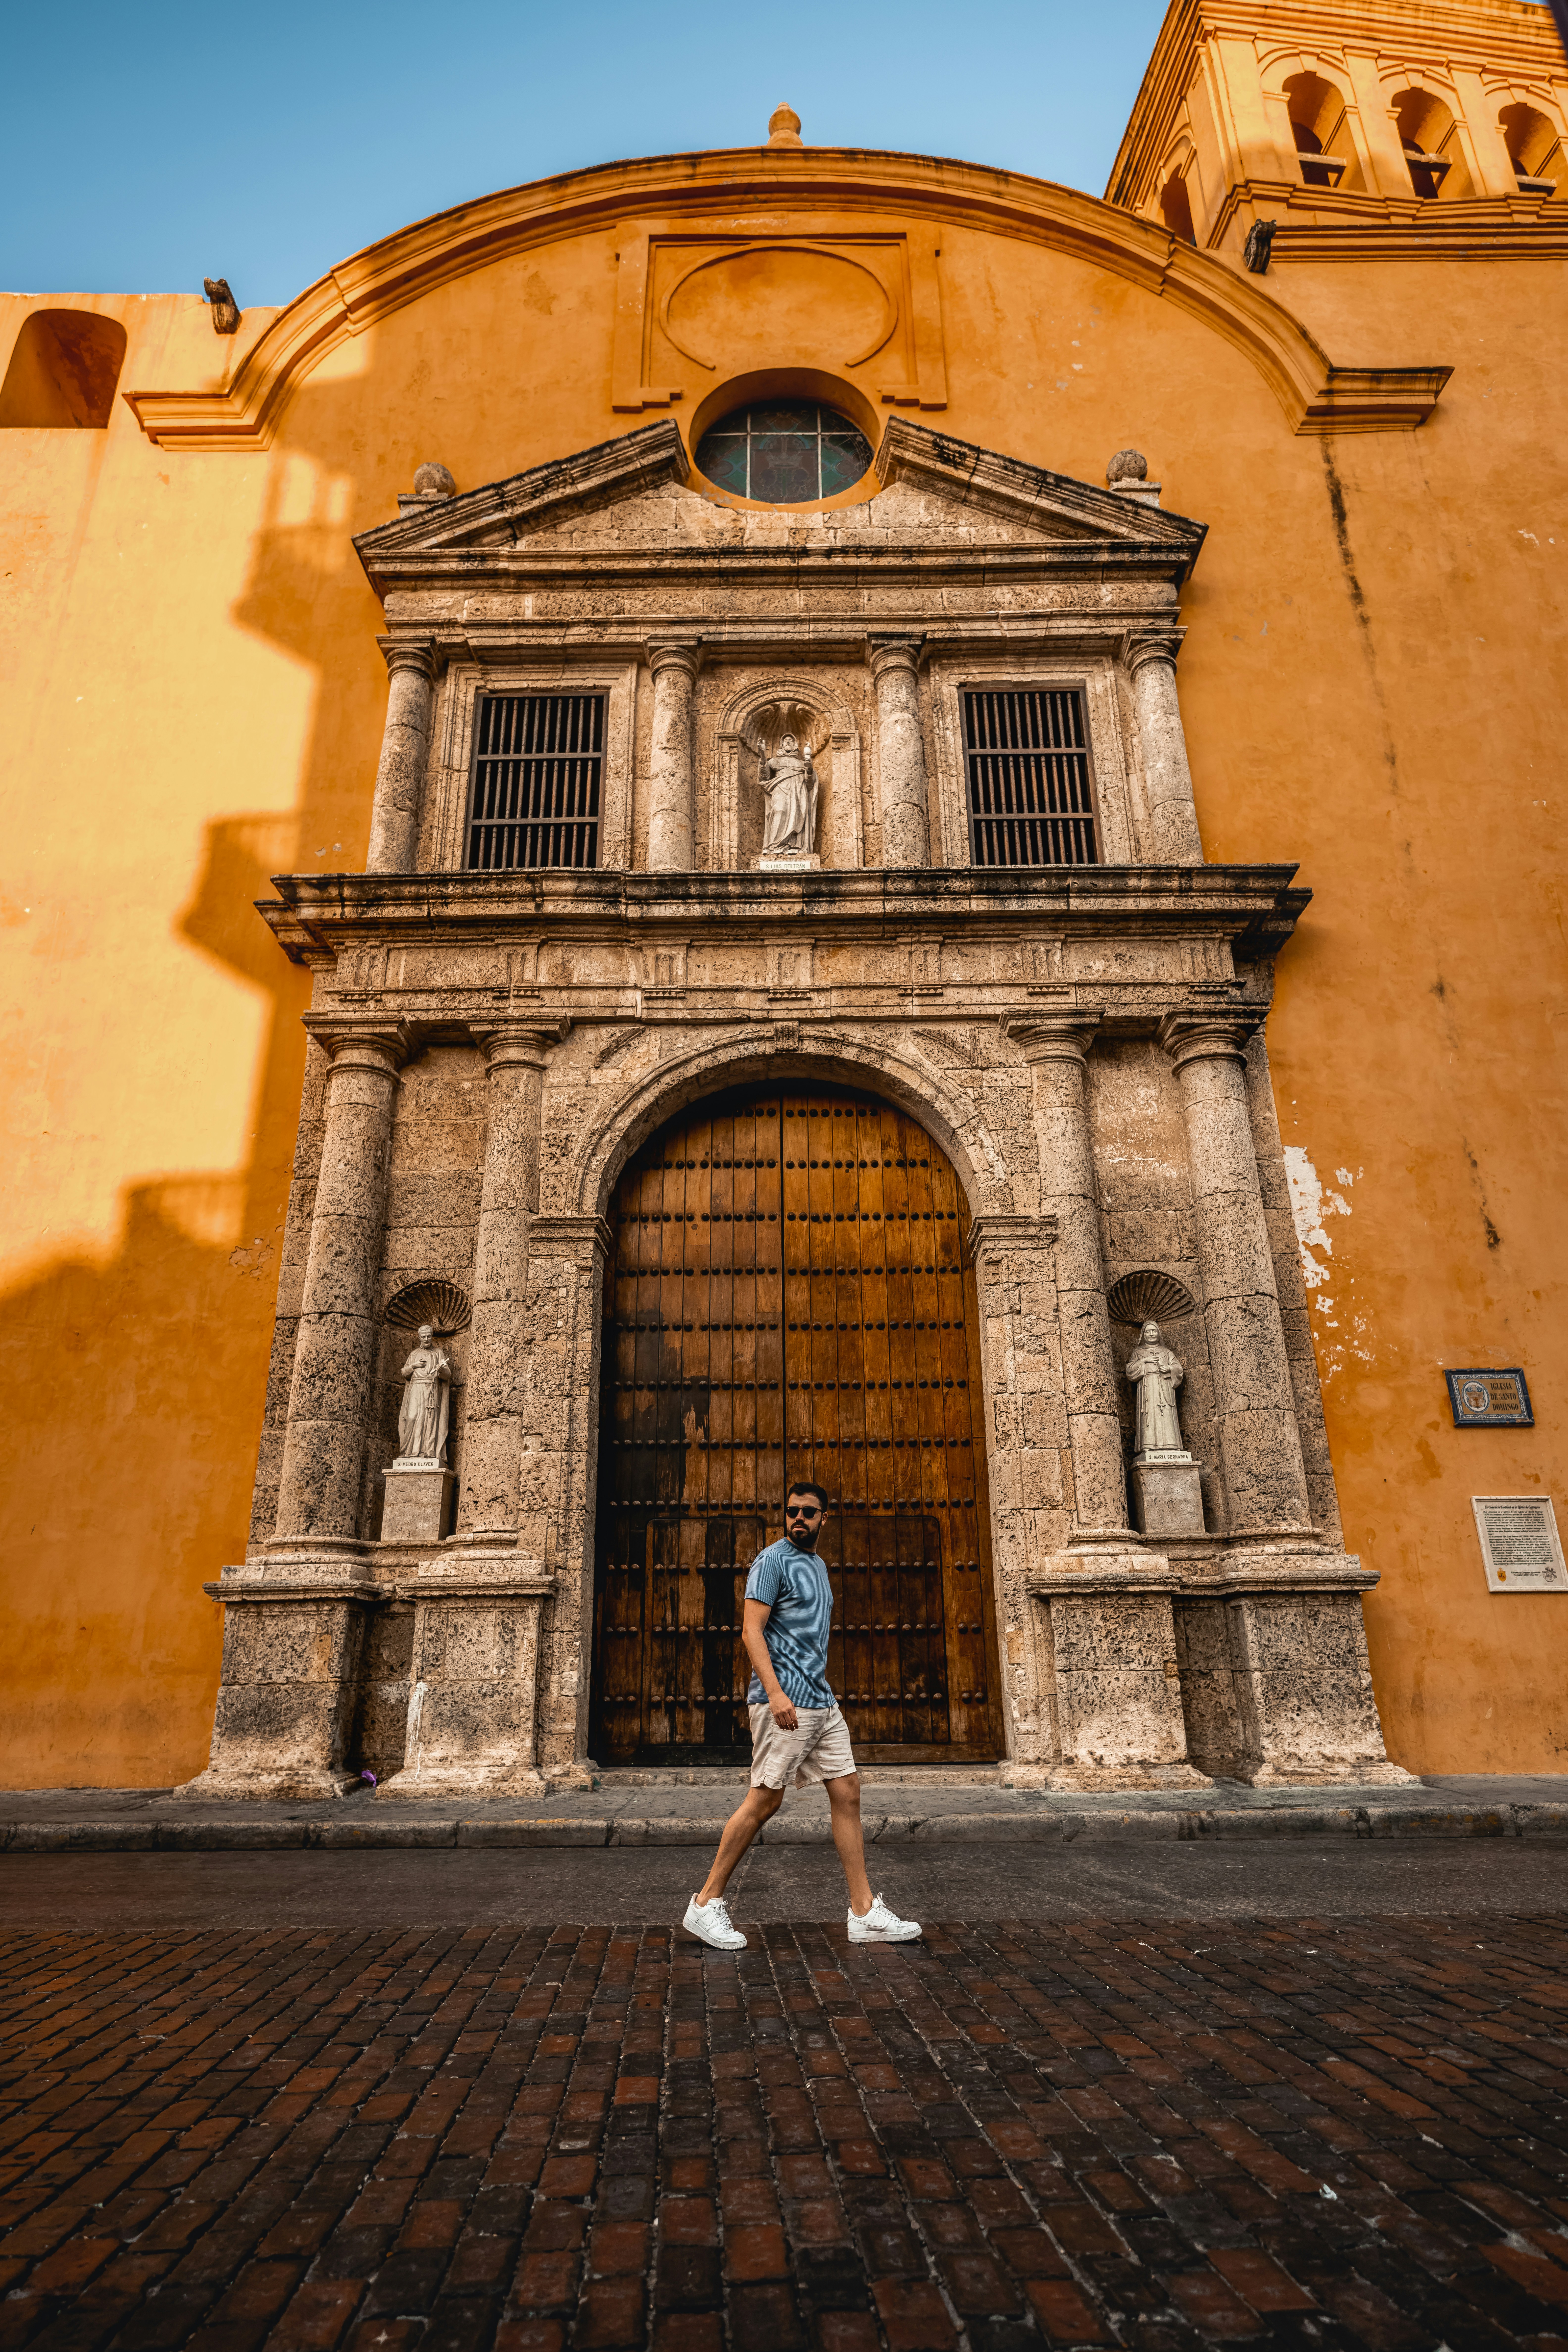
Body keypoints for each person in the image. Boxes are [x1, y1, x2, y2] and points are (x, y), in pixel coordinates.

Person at [682, 1480, 922, 1952]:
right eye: (792, 1511)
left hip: (820, 1702)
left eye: (808, 1513)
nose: (798, 1519)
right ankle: (705, 1905)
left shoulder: (816, 1565)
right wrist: (775, 1694)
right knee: (764, 1802)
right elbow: (752, 1632)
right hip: (786, 1704)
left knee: (848, 1791)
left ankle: (864, 1912)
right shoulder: (771, 1563)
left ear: (823, 1519)